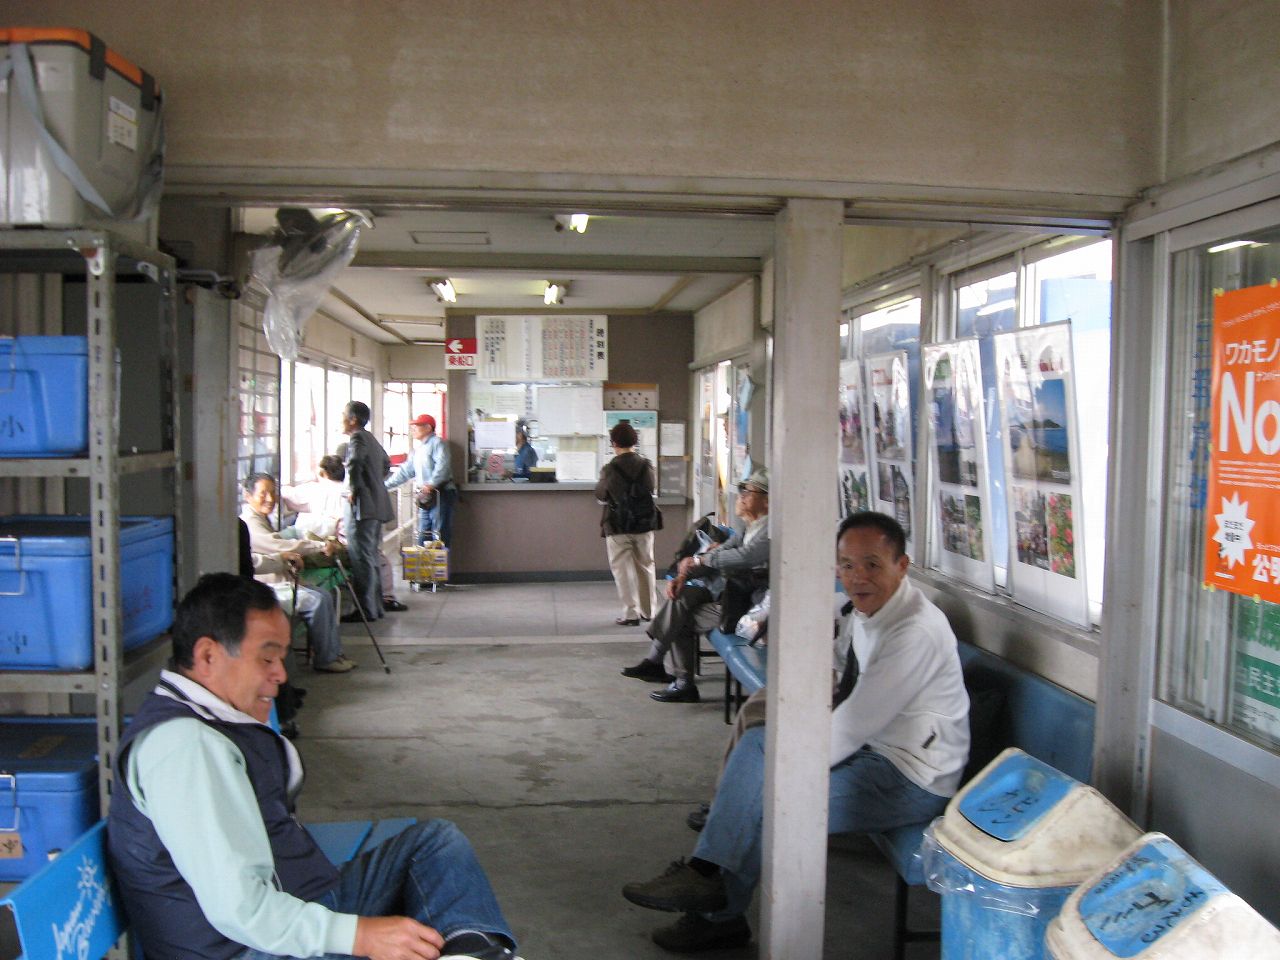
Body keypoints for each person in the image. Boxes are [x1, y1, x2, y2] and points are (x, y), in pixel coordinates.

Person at [107, 573, 523, 960]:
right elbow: (241, 910)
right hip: (246, 949)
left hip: (297, 907)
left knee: (434, 844)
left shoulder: (209, 721)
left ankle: (471, 952)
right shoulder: (185, 748)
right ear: (208, 655)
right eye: (266, 659)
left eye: (281, 658)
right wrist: (361, 936)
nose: (280, 675)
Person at [622, 511, 970, 953]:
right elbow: (837, 666)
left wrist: (789, 769)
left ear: (902, 566)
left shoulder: (914, 631)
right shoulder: (869, 608)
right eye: (847, 565)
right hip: (874, 750)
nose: (858, 577)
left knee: (773, 807)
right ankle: (707, 876)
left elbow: (850, 727)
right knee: (758, 741)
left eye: (872, 564)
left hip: (912, 777)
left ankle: (718, 913)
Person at [620, 469, 770, 704]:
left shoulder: (770, 531)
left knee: (681, 618)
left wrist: (701, 561)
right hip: (729, 592)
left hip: (748, 606)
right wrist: (685, 573)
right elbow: (722, 550)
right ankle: (659, 666)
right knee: (681, 595)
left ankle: (675, 676)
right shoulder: (749, 526)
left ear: (767, 500)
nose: (741, 496)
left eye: (748, 492)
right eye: (742, 490)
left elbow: (744, 557)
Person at [240, 472, 356, 674]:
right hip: (267, 585)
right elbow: (277, 546)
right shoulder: (250, 522)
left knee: (324, 595)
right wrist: (316, 546)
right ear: (248, 496)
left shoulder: (260, 518)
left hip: (279, 579)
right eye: (263, 494)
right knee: (317, 601)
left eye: (273, 493)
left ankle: (333, 654)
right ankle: (327, 658)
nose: (270, 499)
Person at [286, 455, 407, 613]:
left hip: (327, 547)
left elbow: (287, 494)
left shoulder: (312, 490)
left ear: (323, 473)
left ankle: (370, 601)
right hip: (346, 546)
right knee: (380, 560)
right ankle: (386, 598)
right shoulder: (349, 491)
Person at [595, 422, 661, 626]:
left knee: (622, 570)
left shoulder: (610, 469)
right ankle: (648, 611)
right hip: (644, 523)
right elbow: (651, 488)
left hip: (618, 524)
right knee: (646, 565)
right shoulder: (646, 465)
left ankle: (631, 613)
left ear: (614, 443)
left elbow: (601, 494)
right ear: (635, 441)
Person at [342, 401, 395, 621]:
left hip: (362, 508)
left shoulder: (357, 438)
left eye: (343, 416)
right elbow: (386, 463)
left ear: (353, 419)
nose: (341, 420)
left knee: (361, 559)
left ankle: (366, 610)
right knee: (371, 556)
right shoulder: (370, 438)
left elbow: (354, 462)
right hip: (376, 505)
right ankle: (376, 607)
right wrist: (374, 482)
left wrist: (355, 488)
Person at [386, 413, 458, 549]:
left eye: (417, 426)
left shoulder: (438, 443)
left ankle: (439, 562)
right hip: (426, 497)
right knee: (423, 534)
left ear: (428, 428)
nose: (413, 429)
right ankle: (424, 561)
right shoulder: (417, 450)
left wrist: (431, 484)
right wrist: (385, 486)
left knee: (439, 535)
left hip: (441, 493)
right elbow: (405, 471)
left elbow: (443, 466)